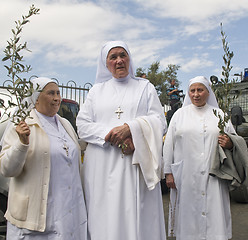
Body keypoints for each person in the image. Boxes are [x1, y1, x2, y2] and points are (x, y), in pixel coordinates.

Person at [76, 41, 167, 240]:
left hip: (135, 164)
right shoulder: (96, 91)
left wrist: (131, 129)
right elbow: (82, 125)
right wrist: (113, 135)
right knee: (104, 215)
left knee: (137, 214)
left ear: (129, 58)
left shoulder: (145, 87)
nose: (119, 61)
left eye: (122, 55)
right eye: (113, 57)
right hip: (102, 167)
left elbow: (160, 121)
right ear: (105, 63)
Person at [163, 76, 248, 240]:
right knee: (188, 212)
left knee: (214, 211)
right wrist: (168, 172)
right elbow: (168, 144)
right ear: (188, 93)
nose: (196, 94)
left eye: (200, 90)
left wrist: (229, 143)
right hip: (186, 174)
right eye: (192, 90)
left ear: (208, 92)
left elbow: (234, 140)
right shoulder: (179, 115)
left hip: (214, 174)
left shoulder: (219, 115)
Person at [0, 77, 87, 239]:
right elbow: (7, 168)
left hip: (67, 211)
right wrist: (22, 144)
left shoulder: (65, 124)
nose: (57, 98)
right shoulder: (22, 125)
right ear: (36, 98)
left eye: (58, 93)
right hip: (38, 214)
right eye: (51, 93)